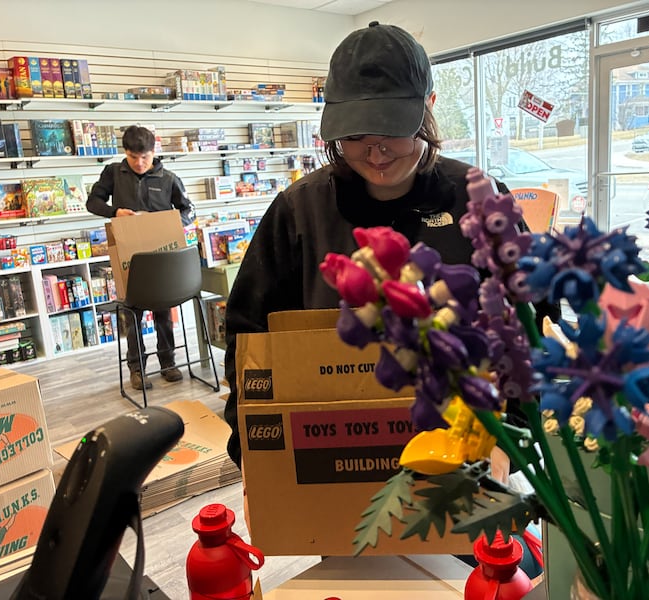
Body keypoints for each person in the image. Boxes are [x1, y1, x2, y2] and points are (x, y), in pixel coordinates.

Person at [224, 22, 557, 468]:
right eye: (356, 135)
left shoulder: (476, 196)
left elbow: (531, 320)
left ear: (430, 108)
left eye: (392, 131)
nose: (376, 153)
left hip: (469, 454)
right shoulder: (298, 211)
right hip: (332, 455)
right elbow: (250, 337)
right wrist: (254, 454)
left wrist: (514, 439)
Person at [86, 125, 195, 391]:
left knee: (163, 314)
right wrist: (116, 212)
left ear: (153, 151)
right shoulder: (113, 173)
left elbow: (189, 211)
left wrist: (166, 222)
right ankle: (137, 369)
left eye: (144, 157)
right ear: (125, 153)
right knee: (132, 317)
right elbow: (92, 203)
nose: (139, 163)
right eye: (133, 157)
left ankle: (168, 363)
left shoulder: (168, 177)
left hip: (161, 258)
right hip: (129, 258)